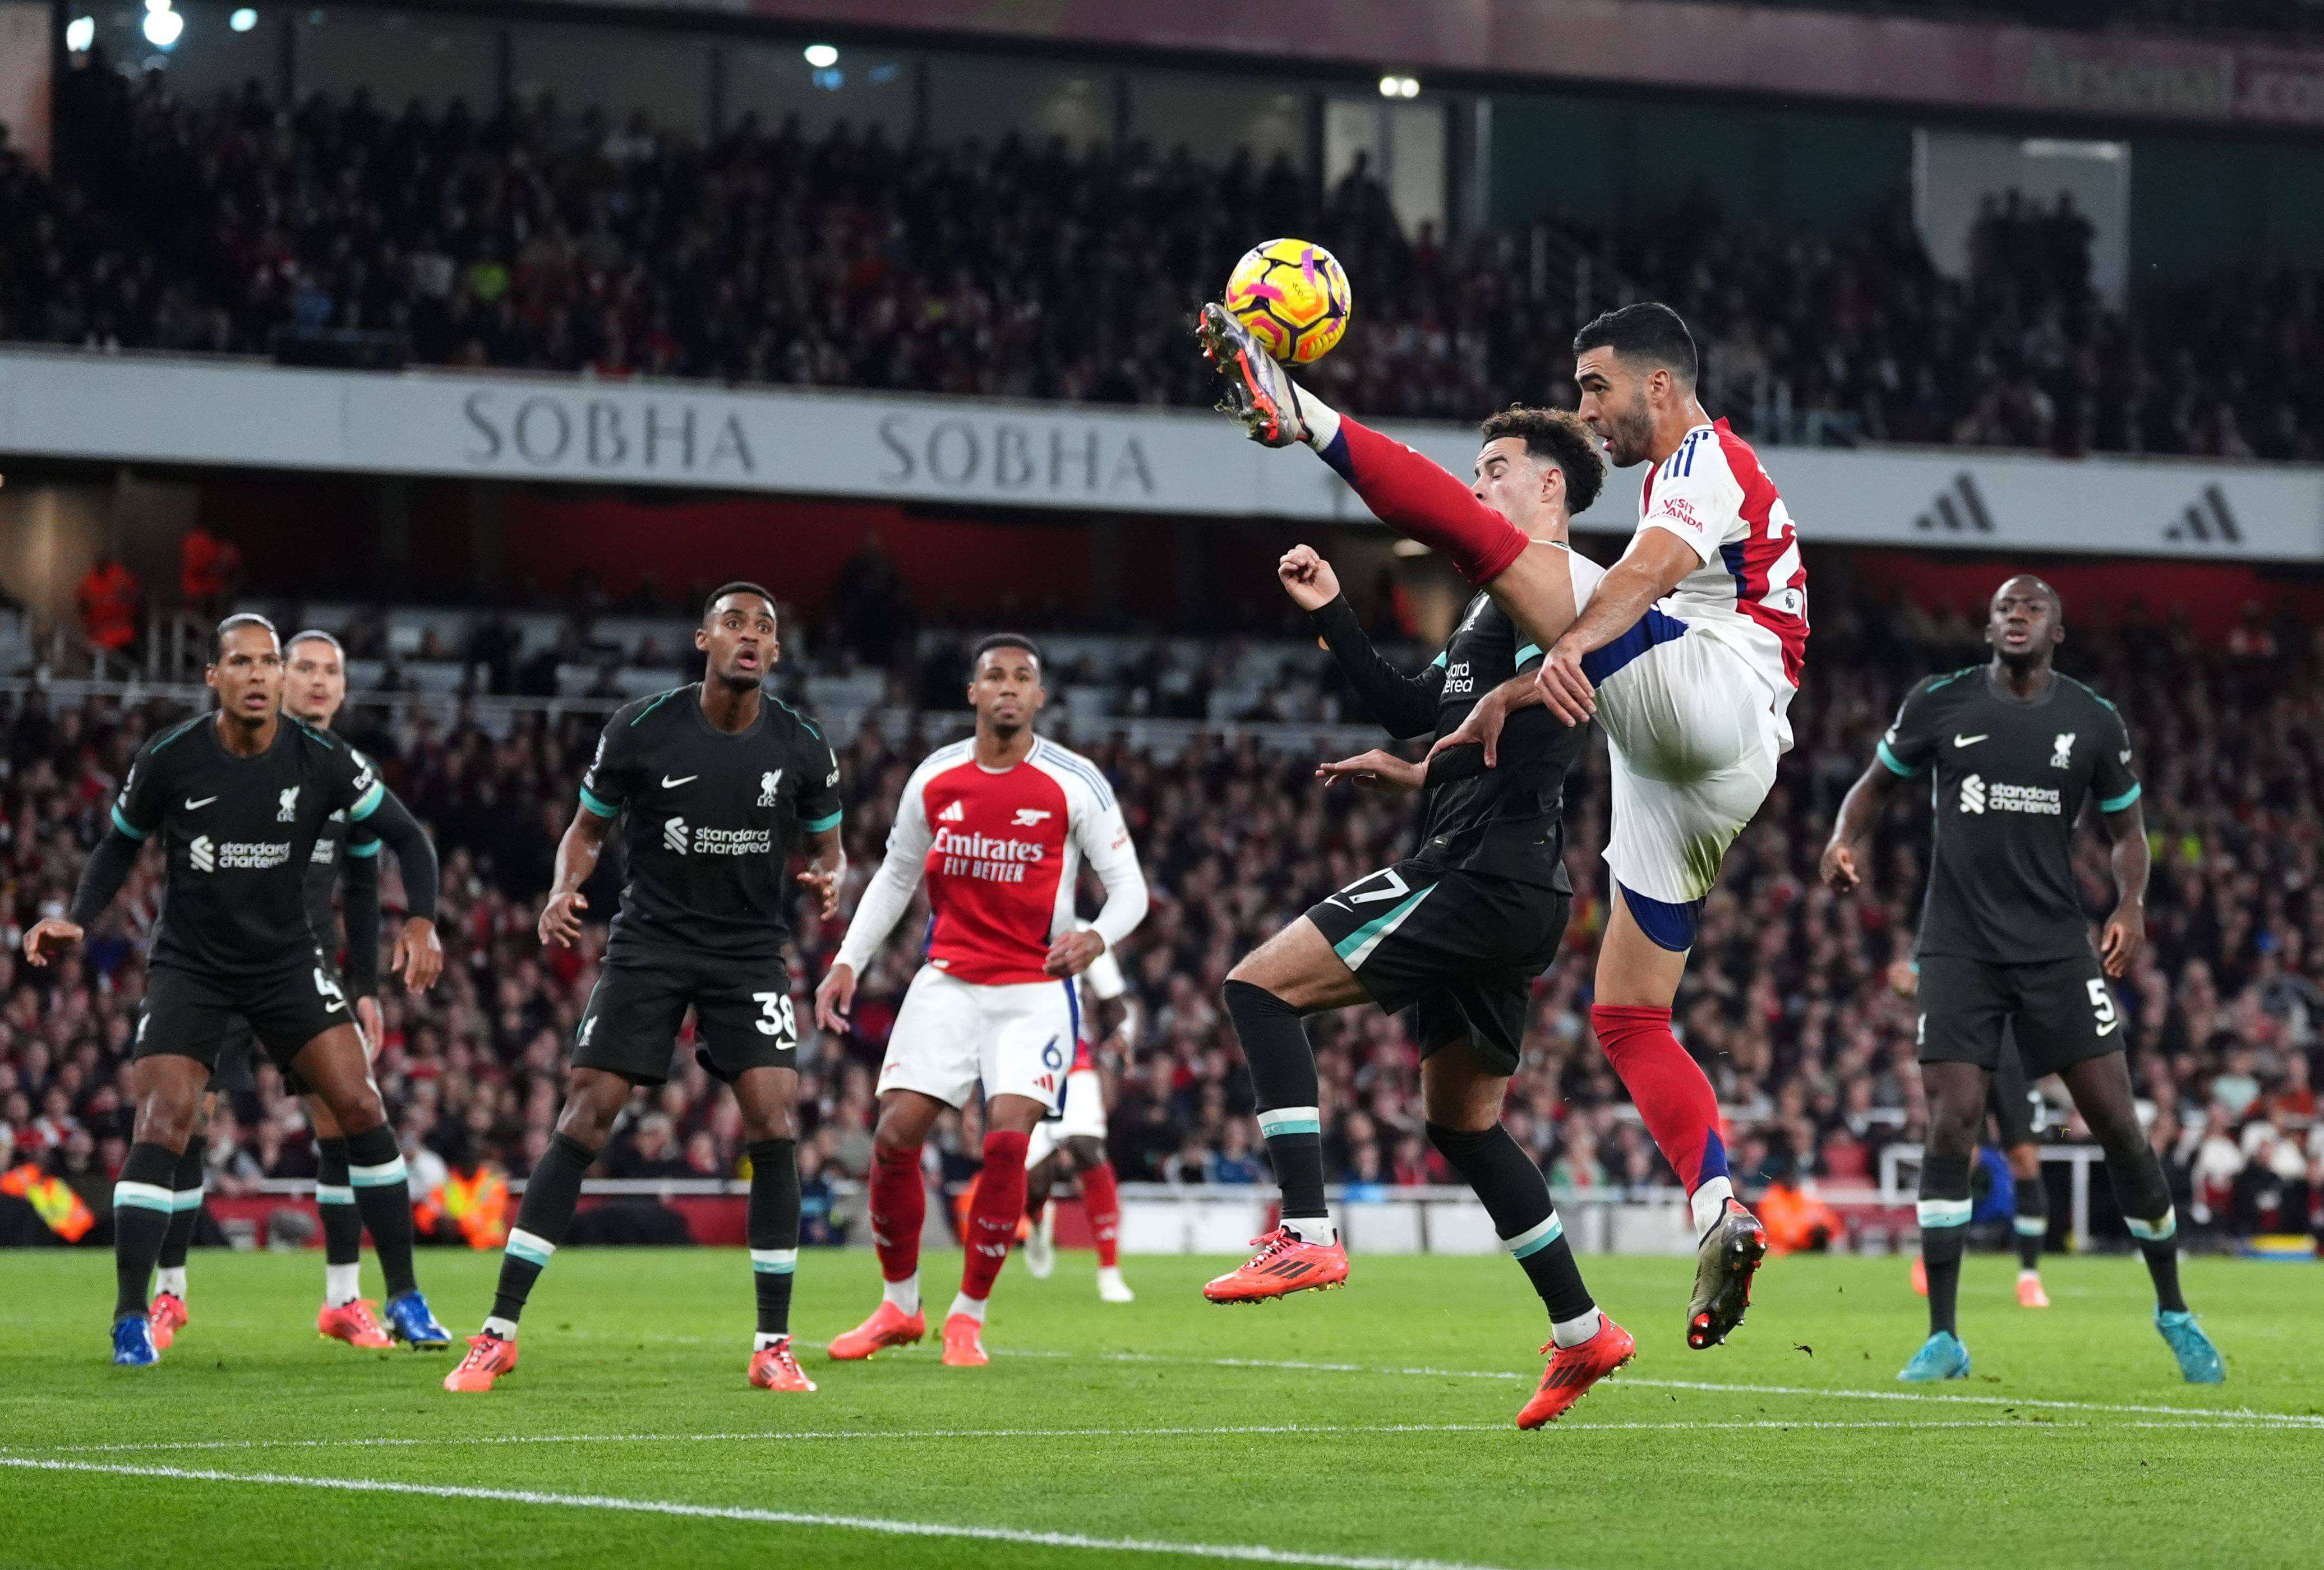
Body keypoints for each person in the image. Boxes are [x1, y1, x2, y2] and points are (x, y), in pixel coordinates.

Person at [1200, 298, 1808, 1352]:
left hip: (1723, 690)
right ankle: (1715, 1210)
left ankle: (1302, 412)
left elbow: (1645, 579)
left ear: (1657, 386)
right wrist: (1506, 699)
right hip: (1688, 773)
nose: (1587, 408)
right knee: (1626, 1018)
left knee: (1495, 553)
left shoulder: (1702, 458)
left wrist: (1561, 660)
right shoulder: (1632, 521)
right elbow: (1455, 698)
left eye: (1595, 387)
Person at [1198, 405, 1632, 1428]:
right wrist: (1332, 611)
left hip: (1477, 873)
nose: (1475, 486)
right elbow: (1413, 710)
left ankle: (1303, 1228)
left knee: (1256, 986)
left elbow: (1574, 680)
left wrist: (1489, 724)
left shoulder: (1564, 587)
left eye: (1493, 470)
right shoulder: (1493, 611)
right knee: (1461, 1124)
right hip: (1510, 884)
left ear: (1549, 491)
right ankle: (1582, 1332)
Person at [442, 584, 845, 1395]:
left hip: (747, 952)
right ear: (704, 638)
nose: (750, 637)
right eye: (735, 622)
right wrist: (562, 890)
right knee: (586, 1114)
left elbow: (831, 848)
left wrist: (830, 878)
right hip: (650, 945)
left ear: (774, 653)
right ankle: (498, 1333)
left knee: (775, 1119)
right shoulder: (640, 727)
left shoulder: (803, 744)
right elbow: (587, 830)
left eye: (765, 628)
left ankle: (773, 1345)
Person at [1820, 574, 2222, 1383]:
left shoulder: (2093, 720)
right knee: (1951, 1124)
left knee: (2116, 1121)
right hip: (1958, 948)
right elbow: (1874, 787)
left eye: (2032, 609)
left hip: (2054, 948)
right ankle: (1944, 1336)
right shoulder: (1941, 701)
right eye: (2005, 608)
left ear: (2057, 631)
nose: (2016, 618)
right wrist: (1842, 840)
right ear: (1989, 625)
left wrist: (2132, 902)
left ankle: (2174, 1309)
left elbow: (2129, 832)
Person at [23, 614, 449, 1366]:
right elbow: (119, 843)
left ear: (283, 677)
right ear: (213, 677)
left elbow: (409, 838)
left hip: (287, 963)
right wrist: (77, 920)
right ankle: (134, 1314)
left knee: (360, 1106)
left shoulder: (324, 758)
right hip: (192, 965)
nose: (259, 676)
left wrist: (420, 922)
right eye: (242, 663)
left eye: (270, 662)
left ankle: (404, 1296)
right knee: (166, 1118)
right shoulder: (172, 757)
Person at [815, 635, 1148, 1368]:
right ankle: (899, 1307)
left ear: (1038, 697)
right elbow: (897, 878)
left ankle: (968, 1317)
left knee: (1006, 1139)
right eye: (994, 676)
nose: (1007, 688)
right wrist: (847, 960)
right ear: (972, 693)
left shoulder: (1074, 781)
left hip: (1034, 990)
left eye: (1022, 678)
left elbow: (1132, 893)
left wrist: (1092, 940)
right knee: (895, 1136)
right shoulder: (935, 779)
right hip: (948, 983)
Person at [145, 630, 444, 1352]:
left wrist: (364, 986)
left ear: (343, 689)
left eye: (328, 671)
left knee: (342, 1122)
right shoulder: (240, 754)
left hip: (301, 970)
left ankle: (346, 1297)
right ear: (279, 679)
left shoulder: (346, 774)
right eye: (301, 667)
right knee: (189, 1121)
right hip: (214, 963)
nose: (313, 681)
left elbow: (366, 885)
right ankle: (168, 1293)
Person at [1021, 924, 1136, 1303]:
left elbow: (1119, 1006)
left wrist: (1121, 1039)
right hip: (1020, 1061)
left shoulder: (1084, 932)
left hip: (1075, 1057)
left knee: (1088, 1148)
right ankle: (1037, 1219)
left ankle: (1109, 1270)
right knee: (1036, 1180)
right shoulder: (1008, 922)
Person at [76, 555, 141, 658]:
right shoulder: (90, 582)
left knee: (119, 666)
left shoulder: (121, 578)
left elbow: (135, 600)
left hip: (121, 636)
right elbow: (82, 605)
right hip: (102, 636)